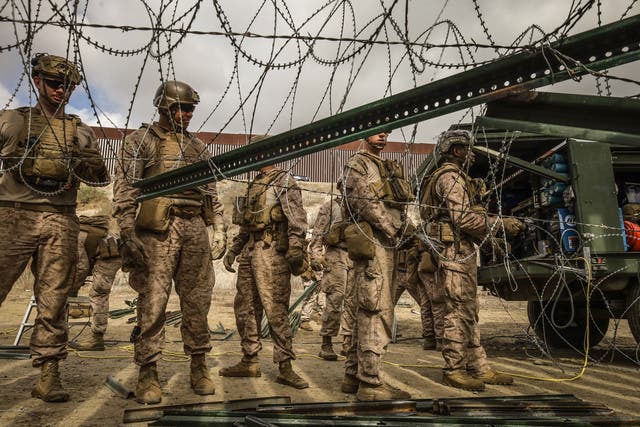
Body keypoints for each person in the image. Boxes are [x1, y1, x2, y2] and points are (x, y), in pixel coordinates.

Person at [0, 53, 109, 402]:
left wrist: (89, 165)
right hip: (14, 213)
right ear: (37, 82)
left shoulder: (80, 132)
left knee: (54, 298)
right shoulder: (13, 122)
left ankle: (49, 373)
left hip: (61, 216)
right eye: (54, 83)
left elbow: (100, 176)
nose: (61, 90)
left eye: (67, 85)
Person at [112, 80, 227, 404]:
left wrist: (218, 227)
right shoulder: (140, 141)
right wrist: (126, 231)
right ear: (163, 107)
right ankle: (148, 371)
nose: (186, 114)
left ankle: (199, 365)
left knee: (197, 302)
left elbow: (210, 192)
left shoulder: (198, 148)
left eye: (190, 108)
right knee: (153, 303)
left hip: (193, 229)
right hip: (157, 232)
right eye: (180, 108)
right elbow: (125, 191)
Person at [420, 129, 524, 391]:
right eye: (468, 150)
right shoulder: (451, 178)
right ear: (456, 151)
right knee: (456, 310)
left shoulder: (453, 177)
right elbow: (463, 219)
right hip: (453, 253)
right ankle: (453, 369)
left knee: (469, 311)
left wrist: (491, 240)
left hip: (460, 251)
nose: (472, 156)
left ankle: (477, 366)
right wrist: (501, 224)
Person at [221, 136, 310, 389]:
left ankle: (285, 366)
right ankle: (249, 359)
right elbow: (246, 225)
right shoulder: (254, 184)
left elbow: (297, 220)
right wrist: (233, 250)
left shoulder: (284, 181)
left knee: (276, 309)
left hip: (272, 253)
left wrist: (296, 250)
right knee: (246, 307)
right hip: (250, 250)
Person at [340, 131, 414, 400]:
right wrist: (393, 229)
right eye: (377, 131)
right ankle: (370, 384)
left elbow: (399, 207)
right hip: (374, 242)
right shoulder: (357, 164)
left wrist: (408, 232)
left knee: (372, 307)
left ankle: (352, 376)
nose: (382, 136)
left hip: (388, 243)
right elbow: (363, 202)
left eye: (386, 132)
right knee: (375, 308)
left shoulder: (386, 166)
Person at [308, 189, 353, 360]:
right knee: (336, 299)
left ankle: (348, 341)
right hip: (336, 255)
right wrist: (316, 256)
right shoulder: (331, 207)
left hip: (356, 256)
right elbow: (318, 232)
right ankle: (326, 343)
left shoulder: (361, 207)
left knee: (353, 301)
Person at [68, 215, 121, 351]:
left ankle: (96, 338)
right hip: (102, 254)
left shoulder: (73, 236)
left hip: (110, 255)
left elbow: (81, 267)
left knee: (98, 293)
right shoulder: (72, 232)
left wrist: (72, 288)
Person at [392, 220, 441, 350]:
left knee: (425, 304)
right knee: (433, 304)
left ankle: (430, 338)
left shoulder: (415, 227)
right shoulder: (423, 228)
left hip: (413, 272)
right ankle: (436, 338)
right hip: (411, 273)